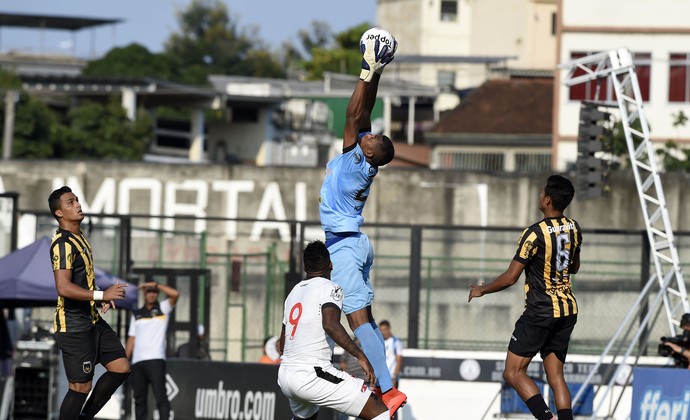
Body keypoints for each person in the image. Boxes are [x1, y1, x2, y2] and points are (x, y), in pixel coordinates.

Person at [318, 28, 406, 416]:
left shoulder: (356, 162)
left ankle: (387, 389)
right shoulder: (363, 157)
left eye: (373, 139)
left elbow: (354, 113)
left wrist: (365, 70)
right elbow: (364, 112)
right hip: (353, 243)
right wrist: (377, 72)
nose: (370, 135)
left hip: (345, 247)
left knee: (359, 323)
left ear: (369, 155)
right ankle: (386, 386)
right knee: (362, 320)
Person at [468, 175, 582, 420]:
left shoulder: (534, 233)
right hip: (567, 310)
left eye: (542, 193)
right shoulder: (574, 227)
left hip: (540, 311)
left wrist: (482, 289)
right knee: (556, 376)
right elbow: (574, 268)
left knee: (513, 372)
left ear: (548, 200)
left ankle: (546, 417)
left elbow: (511, 278)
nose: (540, 196)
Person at [278, 240, 389, 420]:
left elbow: (282, 345)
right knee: (380, 411)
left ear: (306, 267)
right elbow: (330, 325)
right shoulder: (330, 287)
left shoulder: (293, 293)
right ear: (330, 264)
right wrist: (360, 355)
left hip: (286, 376)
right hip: (311, 374)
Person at [48, 186, 130, 420]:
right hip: (73, 327)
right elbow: (63, 287)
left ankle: (84, 416)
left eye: (77, 200)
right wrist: (101, 295)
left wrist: (96, 299)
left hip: (92, 320)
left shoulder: (81, 238)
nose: (78, 204)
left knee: (121, 367)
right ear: (59, 213)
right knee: (80, 387)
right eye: (70, 202)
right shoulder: (62, 243)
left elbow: (81, 283)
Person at [125, 281, 179, 420]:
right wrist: (125, 361)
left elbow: (175, 294)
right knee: (139, 399)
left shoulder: (163, 308)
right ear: (144, 293)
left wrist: (157, 285)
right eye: (149, 291)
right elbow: (131, 339)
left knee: (161, 397)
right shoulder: (136, 314)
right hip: (137, 362)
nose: (152, 294)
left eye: (154, 291)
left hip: (156, 359)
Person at [378, 320, 403, 389]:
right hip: (381, 377)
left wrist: (394, 377)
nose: (382, 332)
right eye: (381, 330)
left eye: (384, 330)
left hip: (391, 377)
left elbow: (399, 360)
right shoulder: (379, 342)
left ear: (389, 329)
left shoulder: (396, 341)